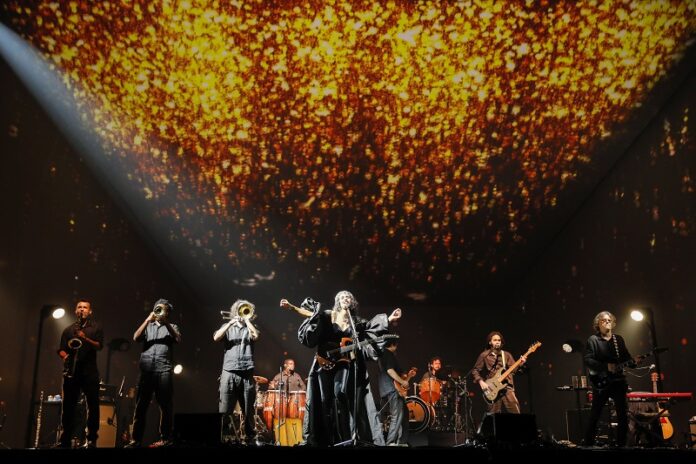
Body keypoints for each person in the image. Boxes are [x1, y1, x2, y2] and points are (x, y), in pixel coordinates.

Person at [280, 291, 401, 446]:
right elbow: (311, 314)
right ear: (338, 301)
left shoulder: (355, 322)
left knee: (340, 393)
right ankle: (325, 437)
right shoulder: (329, 314)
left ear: (352, 302)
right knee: (324, 400)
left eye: (348, 297)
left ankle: (345, 434)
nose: (345, 298)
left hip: (343, 364)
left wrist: (390, 318)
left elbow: (372, 328)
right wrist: (291, 307)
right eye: (342, 297)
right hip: (324, 363)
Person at [125, 299, 181, 448]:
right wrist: (146, 320)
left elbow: (177, 338)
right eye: (158, 308)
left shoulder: (172, 326)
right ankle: (136, 440)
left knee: (165, 406)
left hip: (164, 369)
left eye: (163, 309)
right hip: (147, 370)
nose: (160, 311)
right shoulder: (148, 326)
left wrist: (166, 323)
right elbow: (136, 337)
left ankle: (165, 439)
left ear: (167, 312)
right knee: (141, 406)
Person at [584, 311, 637, 447]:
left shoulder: (618, 339)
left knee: (622, 415)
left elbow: (626, 358)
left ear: (613, 323)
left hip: (618, 382)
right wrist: (605, 367)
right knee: (595, 414)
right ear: (598, 324)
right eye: (603, 320)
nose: (607, 322)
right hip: (601, 383)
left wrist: (634, 362)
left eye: (609, 320)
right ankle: (588, 444)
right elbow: (588, 360)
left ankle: (621, 445)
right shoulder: (593, 340)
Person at [56, 299, 104, 448]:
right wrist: (66, 357)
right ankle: (65, 440)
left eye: (85, 307)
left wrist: (85, 338)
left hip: (89, 372)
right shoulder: (68, 330)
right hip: (72, 371)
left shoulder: (96, 328)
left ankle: (91, 440)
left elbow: (99, 346)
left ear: (90, 311)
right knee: (68, 407)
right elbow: (61, 349)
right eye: (79, 307)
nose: (82, 309)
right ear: (76, 311)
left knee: (93, 406)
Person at [214, 299, 260, 445]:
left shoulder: (250, 328)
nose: (242, 313)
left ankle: (250, 439)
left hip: (246, 372)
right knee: (225, 409)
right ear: (235, 312)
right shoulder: (227, 327)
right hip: (229, 372)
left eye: (245, 310)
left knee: (248, 410)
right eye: (240, 310)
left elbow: (256, 336)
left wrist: (247, 321)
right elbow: (216, 337)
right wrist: (230, 323)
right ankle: (223, 438)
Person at [471, 331, 525, 414]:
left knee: (515, 412)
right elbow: (475, 370)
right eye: (495, 340)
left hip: (507, 387)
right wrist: (481, 382)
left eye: (499, 340)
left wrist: (520, 364)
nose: (497, 342)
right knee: (493, 416)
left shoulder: (506, 355)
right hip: (492, 388)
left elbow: (514, 370)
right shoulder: (484, 355)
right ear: (490, 342)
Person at [377, 339, 412, 446]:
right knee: (396, 416)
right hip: (392, 389)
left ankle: (402, 441)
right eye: (396, 345)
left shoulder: (384, 354)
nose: (397, 348)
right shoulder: (388, 354)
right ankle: (390, 442)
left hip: (389, 388)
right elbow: (390, 370)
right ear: (393, 344)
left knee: (404, 415)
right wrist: (402, 381)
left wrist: (408, 376)